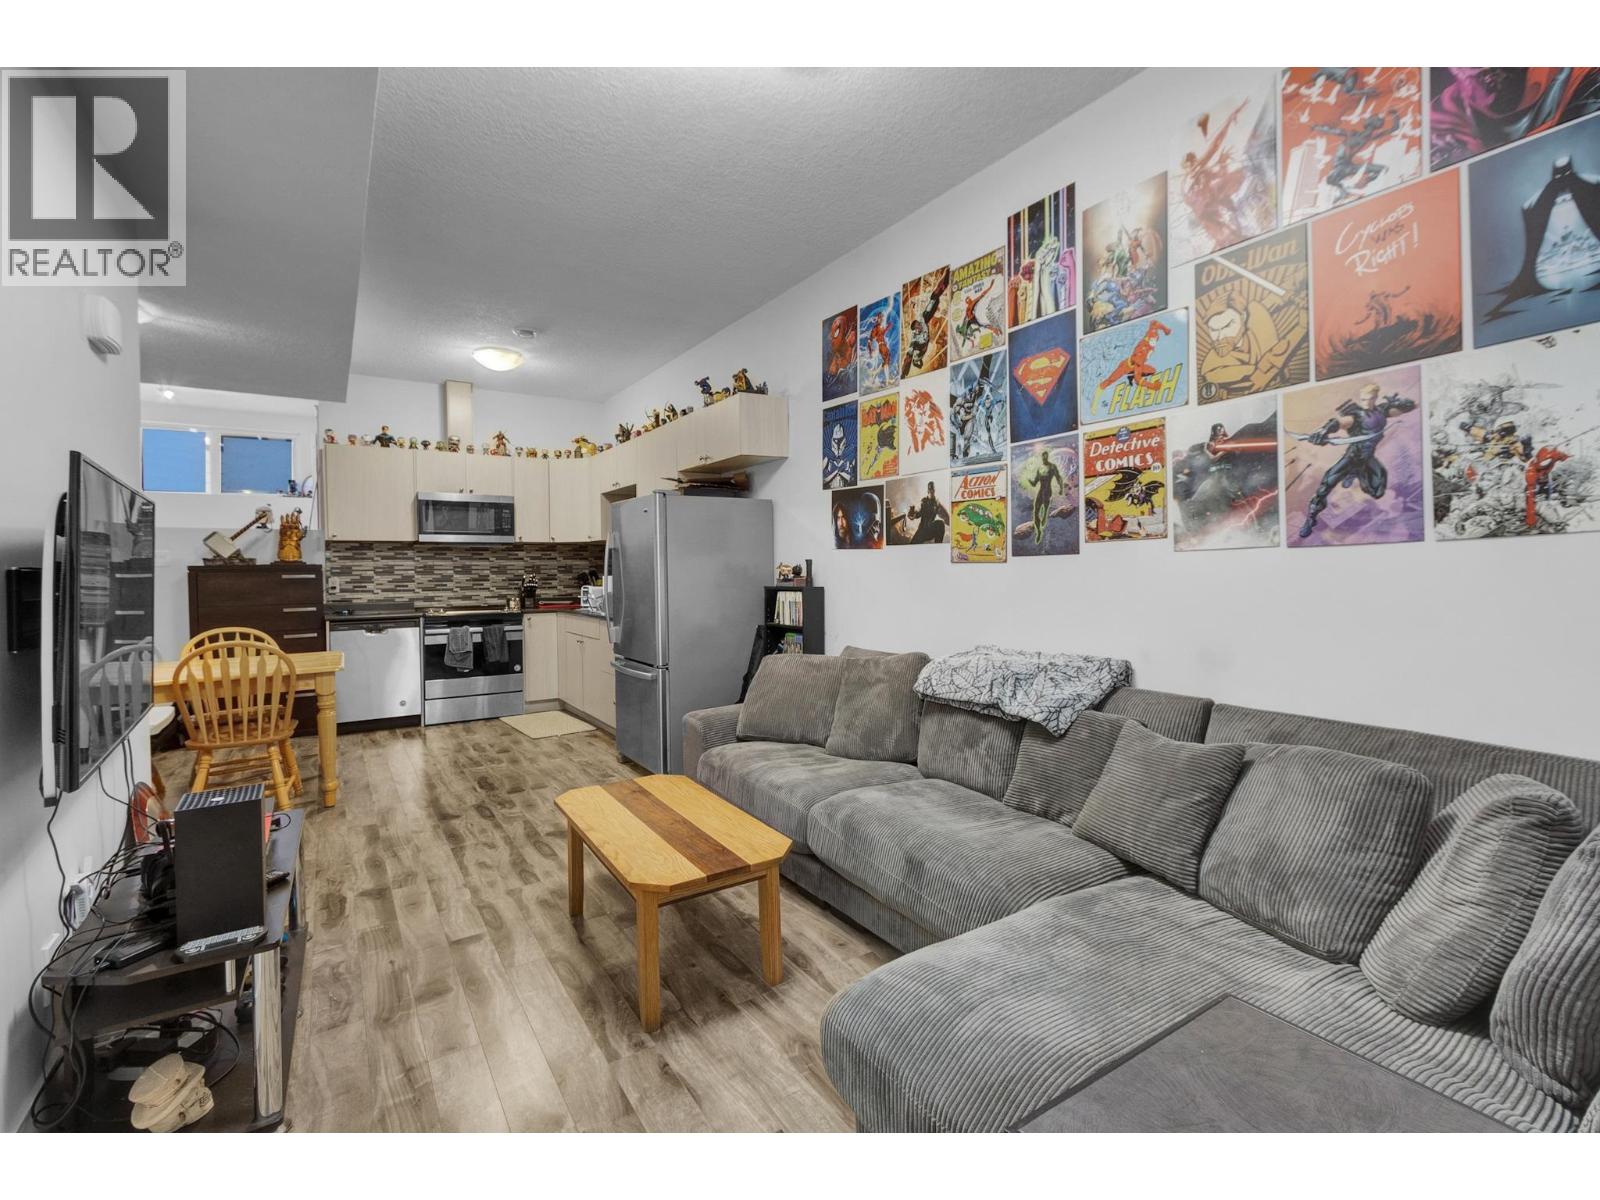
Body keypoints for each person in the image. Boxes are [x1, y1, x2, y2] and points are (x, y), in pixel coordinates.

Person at [1297, 381, 1417, 538]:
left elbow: (1410, 406)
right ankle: (1310, 520)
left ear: (1375, 398)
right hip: (1352, 457)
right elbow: (1339, 422)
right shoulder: (1356, 416)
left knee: (1377, 491)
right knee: (1326, 485)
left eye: (1369, 399)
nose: (1366, 402)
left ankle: (1356, 474)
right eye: (1363, 399)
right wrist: (1323, 431)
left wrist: (1403, 403)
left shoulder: (1381, 411)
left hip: (1368, 458)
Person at [1018, 445, 1068, 547]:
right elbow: (1035, 482)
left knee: (1044, 511)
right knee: (1036, 512)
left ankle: (1043, 521)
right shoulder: (1040, 468)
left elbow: (1058, 478)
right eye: (1043, 456)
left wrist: (1061, 489)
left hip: (1047, 491)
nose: (1044, 458)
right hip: (1040, 492)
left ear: (1047, 456)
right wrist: (1029, 480)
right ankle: (1038, 532)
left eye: (1045, 456)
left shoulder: (1052, 467)